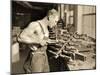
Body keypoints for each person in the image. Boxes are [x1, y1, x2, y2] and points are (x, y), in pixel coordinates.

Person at [17, 9, 59, 73]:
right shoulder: (35, 24)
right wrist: (39, 41)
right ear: (50, 17)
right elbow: (20, 38)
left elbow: (41, 39)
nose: (55, 24)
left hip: (44, 55)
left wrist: (47, 40)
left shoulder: (45, 27)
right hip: (36, 56)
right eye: (55, 21)